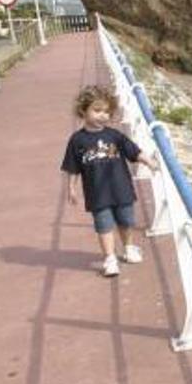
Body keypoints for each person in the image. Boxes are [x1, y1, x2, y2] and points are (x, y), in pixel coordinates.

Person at [61, 84, 159, 276]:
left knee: (126, 221)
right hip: (97, 194)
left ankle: (129, 248)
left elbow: (133, 151)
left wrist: (147, 161)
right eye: (97, 110)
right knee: (104, 226)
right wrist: (71, 188)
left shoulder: (114, 136)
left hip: (121, 189)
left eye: (107, 112)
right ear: (83, 110)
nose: (103, 115)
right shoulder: (77, 140)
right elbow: (72, 167)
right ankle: (110, 258)